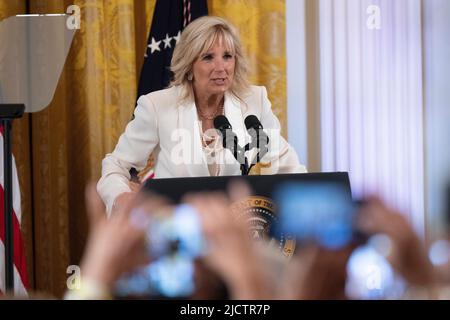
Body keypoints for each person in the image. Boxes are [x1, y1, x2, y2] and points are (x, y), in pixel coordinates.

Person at [97, 16, 306, 215]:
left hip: (235, 227)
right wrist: (120, 198)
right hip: (175, 225)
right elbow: (116, 165)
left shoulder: (253, 100)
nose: (221, 67)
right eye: (208, 57)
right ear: (189, 66)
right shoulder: (157, 105)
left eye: (227, 56)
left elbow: (286, 162)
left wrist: (312, 197)